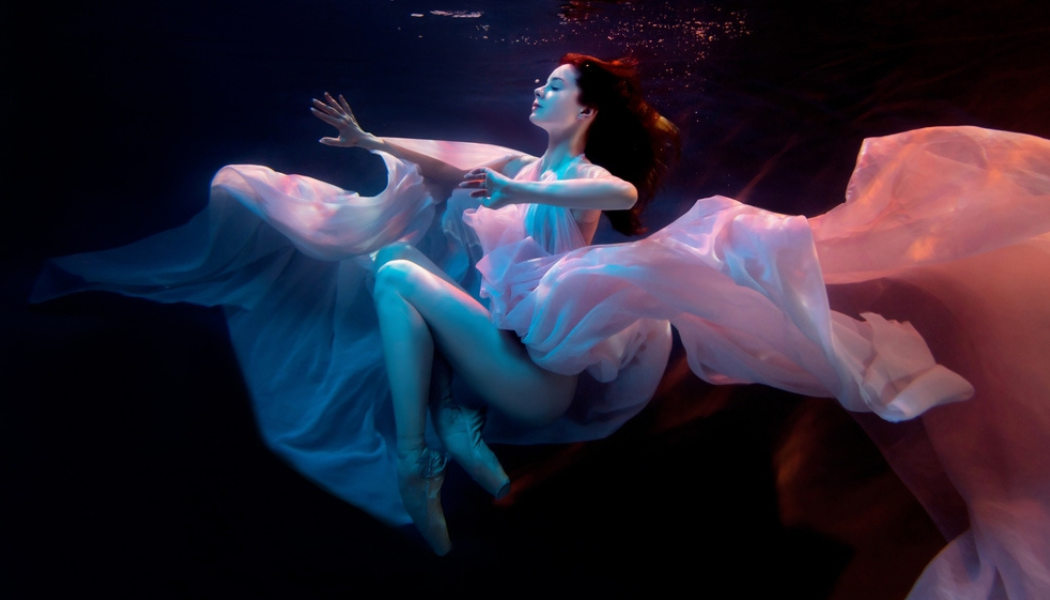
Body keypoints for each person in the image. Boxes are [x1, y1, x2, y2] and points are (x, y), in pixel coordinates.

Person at [29, 53, 1050, 596]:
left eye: (554, 85)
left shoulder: (593, 175)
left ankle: (424, 462)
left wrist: (540, 175)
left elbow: (573, 183)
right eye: (544, 81)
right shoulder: (527, 173)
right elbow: (462, 174)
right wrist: (361, 137)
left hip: (562, 374)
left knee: (396, 276)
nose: (538, 90)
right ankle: (447, 431)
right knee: (398, 263)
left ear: (587, 107)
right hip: (523, 356)